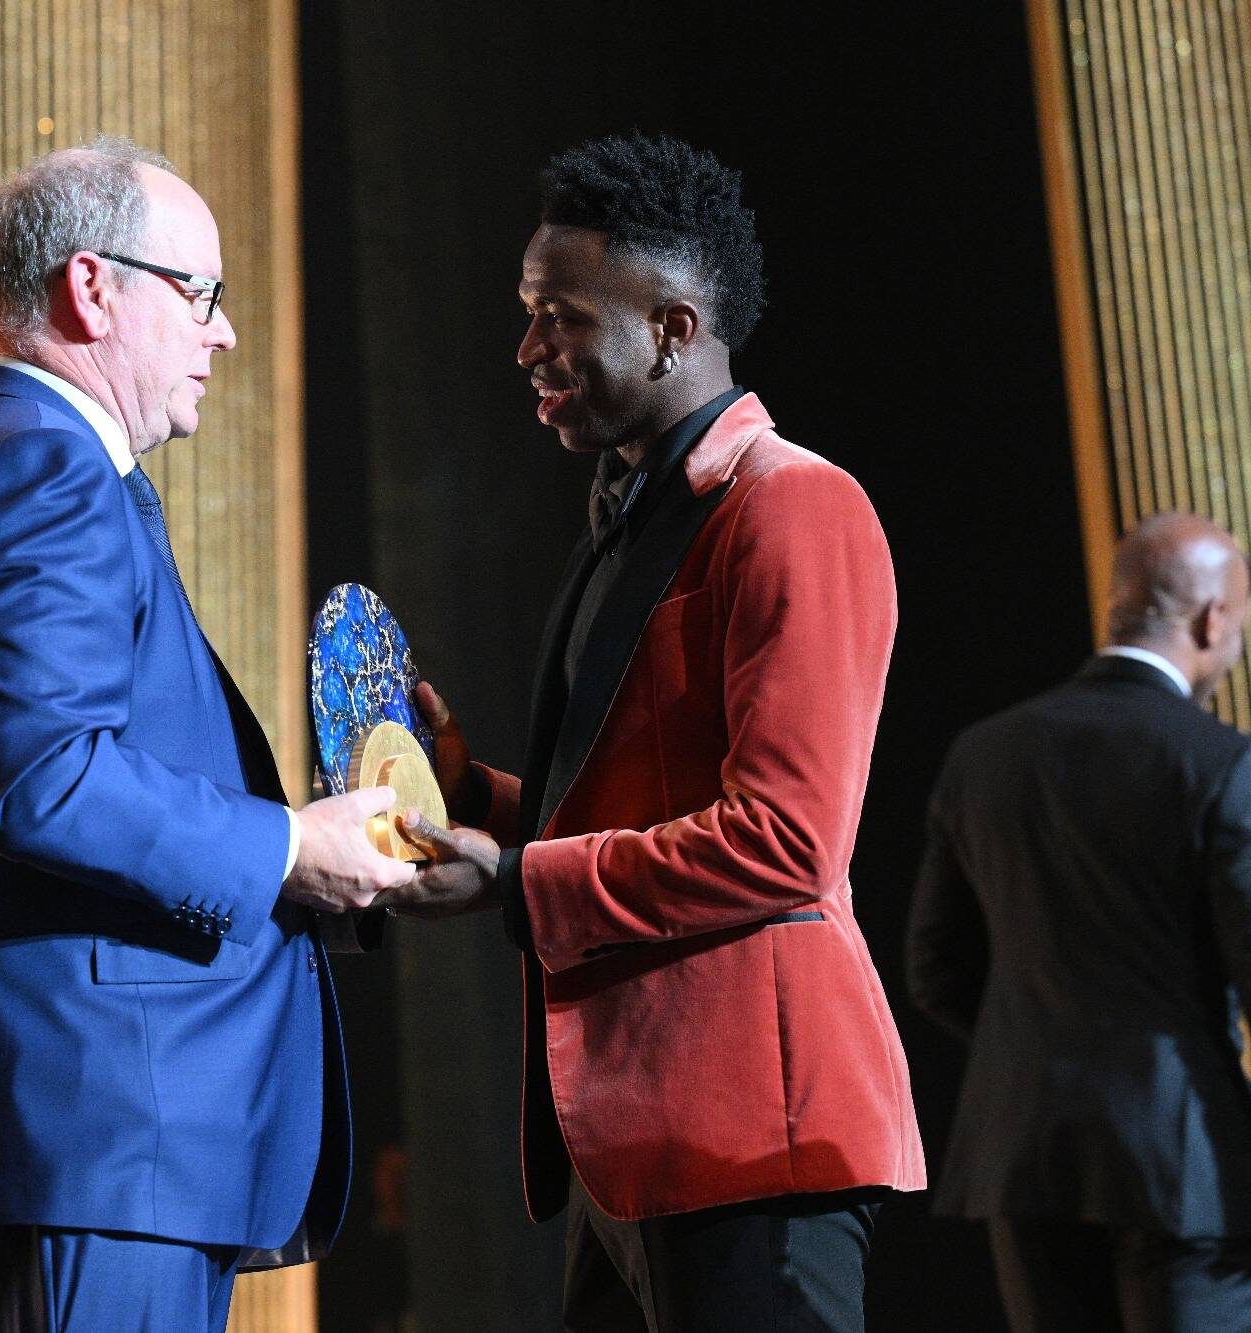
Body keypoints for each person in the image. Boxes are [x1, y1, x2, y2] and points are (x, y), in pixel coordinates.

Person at [0, 138, 414, 1333]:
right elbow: (44, 779)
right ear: (92, 288)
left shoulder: (9, 459)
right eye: (198, 295)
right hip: (81, 1133)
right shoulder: (43, 469)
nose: (222, 334)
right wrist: (285, 849)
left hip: (73, 1143)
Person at [382, 132, 925, 1332]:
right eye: (528, 314)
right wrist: (477, 799)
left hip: (751, 1143)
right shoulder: (635, 517)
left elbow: (785, 843)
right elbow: (638, 811)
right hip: (633, 1142)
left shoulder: (794, 505)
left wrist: (517, 881)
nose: (527, 348)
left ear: (672, 330)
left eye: (556, 317)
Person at [906, 512, 1251, 1331]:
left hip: (1023, 1160)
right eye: (1241, 623)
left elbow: (935, 966)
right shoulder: (1226, 767)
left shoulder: (983, 754)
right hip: (1185, 1172)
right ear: (1215, 618)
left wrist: (1046, 1044)